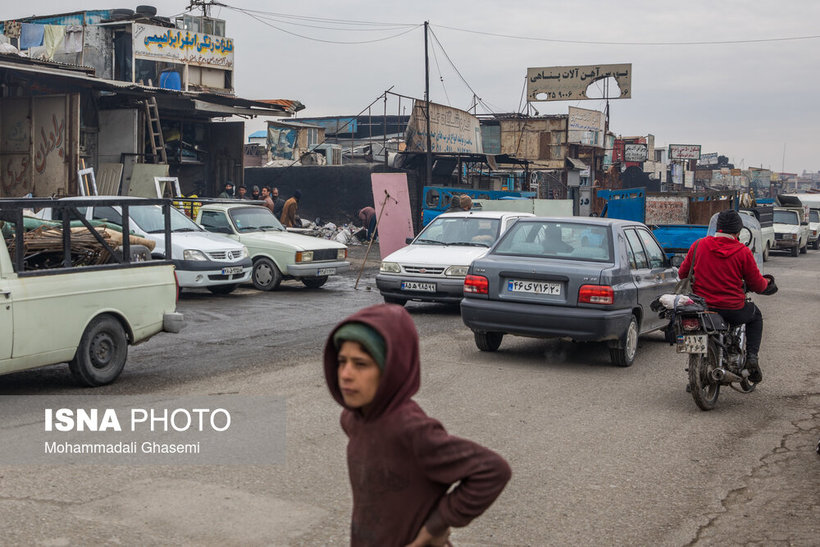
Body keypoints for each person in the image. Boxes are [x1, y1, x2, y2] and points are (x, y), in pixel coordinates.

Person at [324, 304, 511, 546]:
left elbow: (493, 470)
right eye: (342, 361)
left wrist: (436, 525)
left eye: (361, 364)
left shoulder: (410, 429)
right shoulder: (353, 420)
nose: (346, 374)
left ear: (391, 370)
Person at [678, 209, 773, 383]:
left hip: (702, 307)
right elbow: (757, 284)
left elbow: (682, 274)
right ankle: (752, 357)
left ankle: (694, 372)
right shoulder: (743, 252)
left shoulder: (699, 245)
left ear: (718, 227)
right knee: (755, 315)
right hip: (732, 309)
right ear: (738, 231)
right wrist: (767, 284)